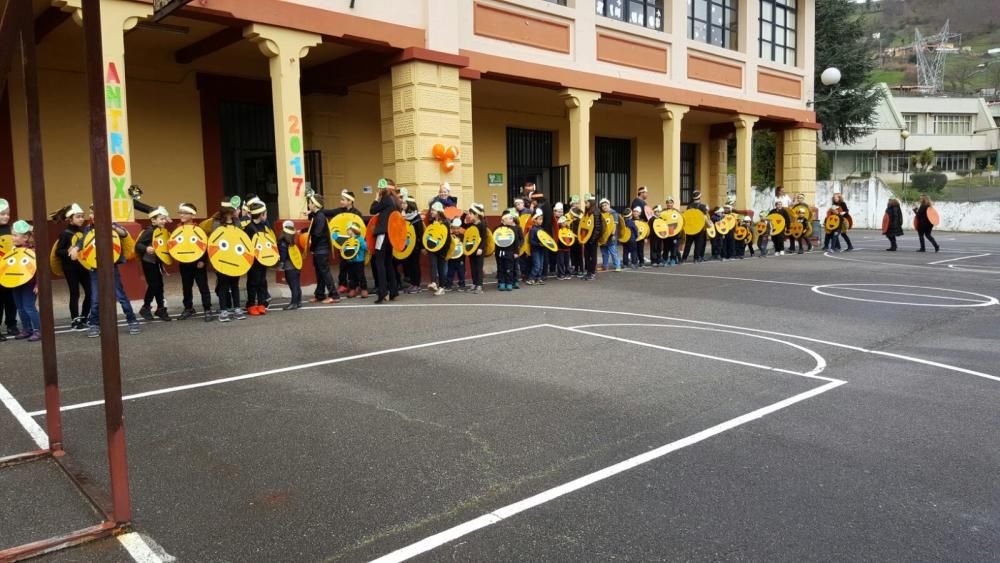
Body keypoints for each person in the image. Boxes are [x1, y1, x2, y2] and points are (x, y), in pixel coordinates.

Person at [78, 218, 141, 336]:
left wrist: (114, 227)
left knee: (120, 296)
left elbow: (124, 234)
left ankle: (132, 321)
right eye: (92, 212)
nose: (93, 215)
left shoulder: (113, 225)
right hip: (94, 267)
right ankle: (94, 324)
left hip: (111, 266)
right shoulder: (88, 228)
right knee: (96, 298)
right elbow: (83, 241)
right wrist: (76, 248)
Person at [52, 203, 92, 330]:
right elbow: (59, 252)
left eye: (82, 217)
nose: (81, 219)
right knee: (75, 293)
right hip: (71, 268)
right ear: (70, 219)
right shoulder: (65, 234)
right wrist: (68, 251)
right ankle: (75, 320)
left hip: (83, 267)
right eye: (78, 217)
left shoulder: (83, 232)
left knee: (90, 292)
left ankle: (85, 317)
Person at [175, 203, 213, 322]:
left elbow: (204, 245)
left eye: (185, 213)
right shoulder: (178, 229)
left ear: (192, 215)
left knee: (203, 287)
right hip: (185, 263)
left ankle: (207, 308)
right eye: (180, 212)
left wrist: (203, 260)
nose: (182, 215)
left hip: (198, 264)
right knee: (186, 287)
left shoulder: (198, 229)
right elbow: (174, 245)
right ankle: (188, 308)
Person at [209, 200, 247, 322]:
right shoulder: (216, 224)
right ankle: (223, 310)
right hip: (222, 259)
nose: (237, 211)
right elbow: (213, 242)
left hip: (235, 258)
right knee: (223, 286)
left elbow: (241, 239)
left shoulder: (237, 222)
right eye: (235, 210)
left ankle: (237, 309)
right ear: (228, 212)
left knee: (235, 285)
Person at [134, 206, 173, 321]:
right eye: (161, 219)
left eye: (164, 219)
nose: (164, 221)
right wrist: (146, 248)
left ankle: (160, 309)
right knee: (154, 285)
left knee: (159, 286)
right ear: (153, 220)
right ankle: (146, 307)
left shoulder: (162, 231)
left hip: (157, 262)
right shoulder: (149, 231)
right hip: (149, 262)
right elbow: (138, 245)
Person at [369, 178, 401, 303]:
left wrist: (376, 198)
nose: (379, 189)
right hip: (391, 236)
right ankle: (393, 292)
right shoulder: (396, 201)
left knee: (379, 263)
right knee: (388, 263)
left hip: (383, 234)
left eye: (380, 187)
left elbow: (372, 210)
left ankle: (383, 293)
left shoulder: (386, 198)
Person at [304, 193, 339, 304]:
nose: (308, 204)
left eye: (310, 203)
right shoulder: (317, 215)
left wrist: (310, 242)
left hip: (321, 249)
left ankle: (334, 295)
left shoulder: (320, 217)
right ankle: (319, 294)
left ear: (315, 205)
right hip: (318, 249)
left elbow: (317, 233)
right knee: (320, 273)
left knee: (325, 273)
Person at [9, 221, 40, 342]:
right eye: (12, 235)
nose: (13, 238)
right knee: (20, 308)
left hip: (29, 284)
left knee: (29, 307)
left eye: (15, 235)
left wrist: (38, 284)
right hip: (17, 283)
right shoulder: (14, 250)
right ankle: (27, 329)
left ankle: (39, 330)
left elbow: (39, 269)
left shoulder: (32, 251)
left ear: (25, 237)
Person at [328, 189, 363, 295]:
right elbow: (327, 212)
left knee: (354, 267)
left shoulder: (357, 214)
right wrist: (313, 212)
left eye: (343, 200)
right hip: (342, 244)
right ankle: (343, 284)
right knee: (343, 265)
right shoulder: (340, 211)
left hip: (353, 244)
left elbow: (360, 229)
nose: (341, 202)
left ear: (350, 201)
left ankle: (356, 285)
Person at [243, 200, 271, 315]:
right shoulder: (249, 228)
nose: (266, 215)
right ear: (261, 214)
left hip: (262, 259)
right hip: (253, 261)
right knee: (253, 282)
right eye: (265, 213)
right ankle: (251, 304)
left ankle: (261, 303)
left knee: (262, 282)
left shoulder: (262, 226)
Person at [0, 199, 18, 337]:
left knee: (11, 300)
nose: (6, 216)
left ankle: (11, 325)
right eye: (2, 214)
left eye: (7, 214)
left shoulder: (12, 230)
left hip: (11, 272)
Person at [278, 220, 302, 310]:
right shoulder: (292, 241)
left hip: (289, 267)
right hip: (297, 265)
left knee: (293, 285)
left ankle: (294, 303)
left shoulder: (283, 242)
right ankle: (298, 301)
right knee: (297, 284)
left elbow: (283, 255)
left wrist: (281, 264)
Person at [426, 202, 449, 296]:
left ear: (439, 211)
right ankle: (434, 282)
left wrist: (446, 250)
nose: (431, 212)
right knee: (433, 264)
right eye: (431, 210)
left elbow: (447, 238)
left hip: (442, 249)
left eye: (433, 210)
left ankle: (442, 287)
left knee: (441, 268)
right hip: (432, 247)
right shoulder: (432, 222)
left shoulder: (445, 223)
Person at [495, 210, 522, 291]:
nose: (512, 220)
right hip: (499, 252)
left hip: (509, 252)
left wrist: (516, 252)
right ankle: (502, 283)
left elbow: (516, 241)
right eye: (510, 218)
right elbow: (495, 240)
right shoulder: (497, 229)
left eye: (512, 218)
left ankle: (509, 283)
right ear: (504, 221)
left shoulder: (513, 229)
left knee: (509, 268)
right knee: (500, 268)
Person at [402, 194, 424, 293]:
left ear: (410, 204)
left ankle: (417, 284)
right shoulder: (404, 216)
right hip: (407, 245)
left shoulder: (417, 218)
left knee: (415, 264)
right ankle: (412, 283)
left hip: (415, 246)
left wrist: (422, 247)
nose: (402, 205)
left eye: (404, 203)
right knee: (409, 264)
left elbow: (421, 233)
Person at [681, 190, 708, 263]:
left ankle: (684, 258)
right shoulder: (703, 206)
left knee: (688, 244)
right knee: (698, 244)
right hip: (699, 228)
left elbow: (686, 217)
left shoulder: (689, 206)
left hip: (690, 228)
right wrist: (709, 224)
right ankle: (696, 258)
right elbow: (705, 217)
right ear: (700, 197)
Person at [343, 222, 369, 297]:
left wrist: (362, 244)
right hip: (350, 261)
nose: (347, 231)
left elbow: (366, 247)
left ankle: (364, 289)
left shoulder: (360, 239)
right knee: (351, 276)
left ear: (353, 230)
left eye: (348, 229)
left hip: (359, 261)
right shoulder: (348, 240)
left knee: (361, 276)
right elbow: (344, 250)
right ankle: (352, 289)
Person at [466, 203, 487, 294]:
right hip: (472, 249)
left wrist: (481, 248)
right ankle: (474, 283)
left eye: (471, 214)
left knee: (478, 267)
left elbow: (484, 238)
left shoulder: (482, 225)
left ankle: (479, 285)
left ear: (477, 215)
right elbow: (463, 226)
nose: (469, 215)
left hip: (479, 250)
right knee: (473, 267)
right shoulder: (471, 225)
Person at [582, 193, 603, 280]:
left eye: (587, 202)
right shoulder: (587, 212)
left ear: (591, 202)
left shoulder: (596, 212)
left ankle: (592, 273)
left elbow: (598, 227)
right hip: (587, 238)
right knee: (587, 255)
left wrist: (593, 239)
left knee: (592, 256)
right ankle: (588, 272)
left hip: (592, 239)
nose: (585, 204)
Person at [445, 218, 467, 292]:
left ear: (460, 228)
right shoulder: (450, 236)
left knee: (461, 272)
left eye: (457, 228)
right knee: (450, 272)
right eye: (454, 228)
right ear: (451, 228)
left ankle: (462, 285)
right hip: (451, 257)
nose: (456, 230)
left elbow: (465, 246)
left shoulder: (462, 236)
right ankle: (449, 285)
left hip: (460, 258)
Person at [629, 186, 650, 266]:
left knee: (640, 245)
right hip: (638, 226)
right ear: (641, 193)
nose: (647, 194)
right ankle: (636, 258)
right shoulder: (637, 202)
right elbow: (636, 215)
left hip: (643, 225)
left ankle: (640, 258)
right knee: (637, 243)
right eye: (646, 193)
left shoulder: (642, 202)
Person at [598, 199, 620, 272]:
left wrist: (613, 234)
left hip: (611, 236)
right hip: (603, 236)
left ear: (609, 205)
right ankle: (605, 266)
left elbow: (614, 224)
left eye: (605, 205)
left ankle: (617, 266)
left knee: (613, 252)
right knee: (604, 253)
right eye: (602, 206)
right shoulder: (601, 214)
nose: (604, 207)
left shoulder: (613, 213)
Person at [527, 209, 546, 285]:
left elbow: (545, 239)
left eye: (542, 219)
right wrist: (539, 244)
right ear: (534, 220)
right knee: (537, 265)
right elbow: (531, 241)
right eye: (539, 219)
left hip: (541, 249)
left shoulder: (542, 229)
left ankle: (538, 278)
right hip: (535, 250)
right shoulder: (533, 230)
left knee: (541, 265)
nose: (541, 221)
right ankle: (531, 278)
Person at [662, 197, 681, 266]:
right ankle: (665, 259)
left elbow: (680, 222)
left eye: (670, 203)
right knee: (666, 246)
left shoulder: (676, 211)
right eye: (668, 203)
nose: (669, 204)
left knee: (674, 247)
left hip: (675, 232)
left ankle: (673, 259)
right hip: (666, 232)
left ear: (673, 203)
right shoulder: (663, 211)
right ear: (666, 203)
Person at [555, 215, 572, 280]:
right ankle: (561, 274)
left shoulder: (568, 230)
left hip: (567, 248)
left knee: (567, 262)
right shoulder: (558, 230)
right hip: (560, 248)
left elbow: (571, 238)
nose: (564, 223)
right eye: (563, 222)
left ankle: (567, 273)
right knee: (561, 262)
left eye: (565, 222)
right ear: (560, 223)